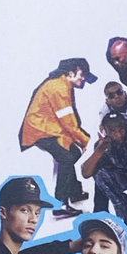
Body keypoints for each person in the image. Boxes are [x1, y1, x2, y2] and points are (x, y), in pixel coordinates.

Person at [19, 57, 97, 212]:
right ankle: (59, 204)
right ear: (70, 73)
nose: (83, 79)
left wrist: (79, 141)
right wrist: (86, 141)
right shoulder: (59, 88)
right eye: (82, 75)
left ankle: (74, 192)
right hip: (39, 131)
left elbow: (66, 121)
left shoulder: (62, 84)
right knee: (67, 158)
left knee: (72, 152)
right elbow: (68, 122)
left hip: (50, 129)